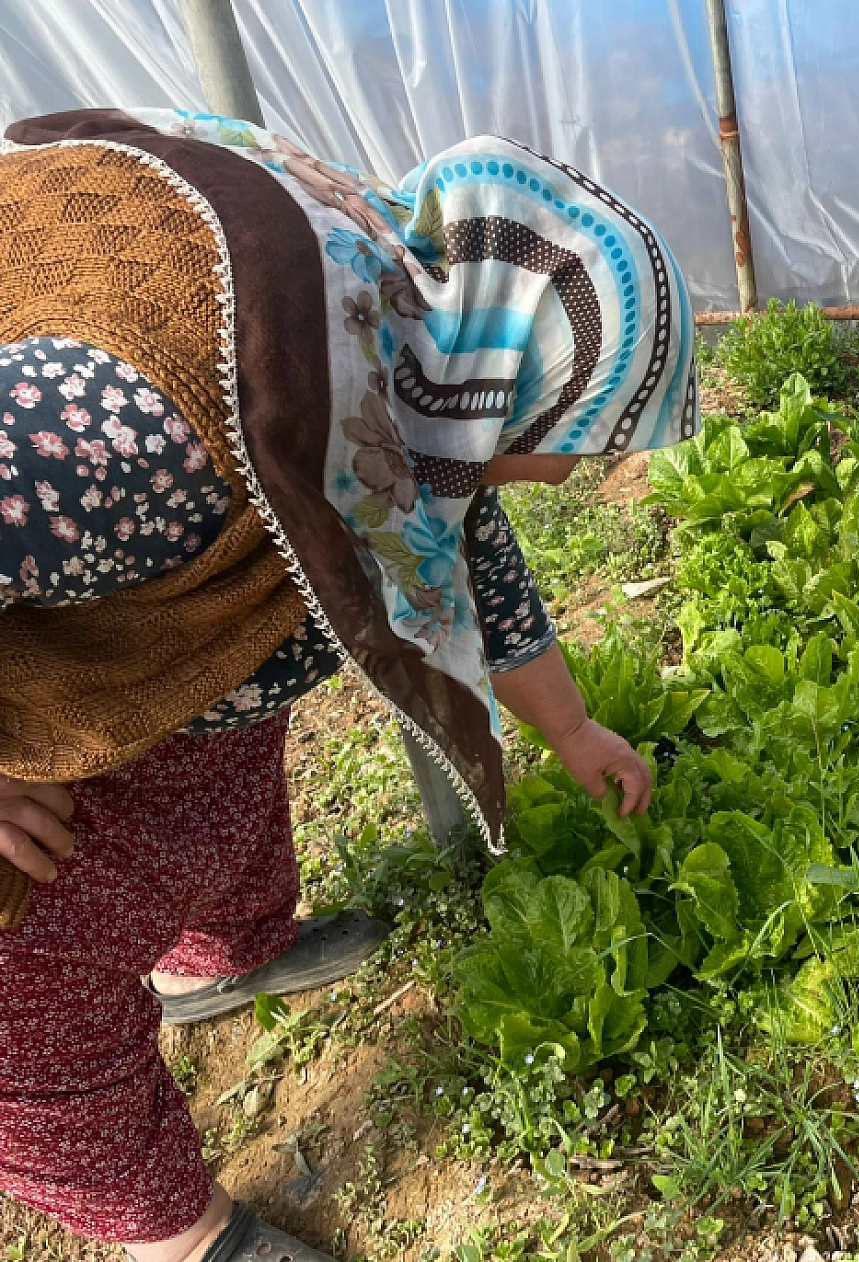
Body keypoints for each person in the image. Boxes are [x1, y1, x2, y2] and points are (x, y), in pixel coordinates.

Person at [0, 108, 697, 1262]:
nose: (584, 465)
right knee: (33, 1008)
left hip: (132, 655)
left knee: (211, 799)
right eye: (589, 430)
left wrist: (572, 731)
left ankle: (215, 958)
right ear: (502, 381)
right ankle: (177, 1237)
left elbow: (469, 551)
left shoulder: (387, 346)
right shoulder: (142, 437)